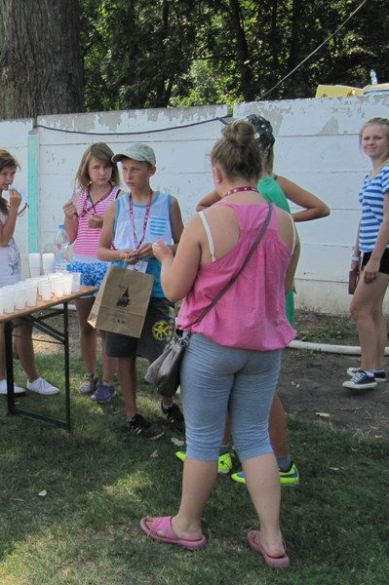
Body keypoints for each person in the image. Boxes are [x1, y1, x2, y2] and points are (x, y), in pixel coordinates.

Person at [141, 120, 299, 568]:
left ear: (218, 172)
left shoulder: (205, 221)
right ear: (258, 165)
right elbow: (283, 286)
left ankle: (187, 524)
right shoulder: (285, 223)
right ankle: (272, 537)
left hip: (212, 346)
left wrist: (166, 256)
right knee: (254, 438)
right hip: (264, 347)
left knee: (204, 438)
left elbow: (173, 290)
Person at [185, 114, 330, 485]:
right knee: (248, 398)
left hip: (252, 311)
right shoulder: (270, 194)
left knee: (259, 401)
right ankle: (235, 458)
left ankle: (280, 461)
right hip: (262, 307)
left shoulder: (263, 196)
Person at [96, 144, 184, 438]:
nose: (128, 175)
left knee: (166, 352)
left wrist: (160, 250)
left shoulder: (168, 203)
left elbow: (183, 245)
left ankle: (168, 402)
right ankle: (132, 414)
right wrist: (121, 254)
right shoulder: (117, 205)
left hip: (159, 289)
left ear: (151, 171)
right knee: (124, 352)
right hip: (124, 287)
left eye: (135, 169)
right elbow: (101, 250)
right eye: (125, 169)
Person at [0, 149, 60, 396]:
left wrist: (12, 207)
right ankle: (7, 380)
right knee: (11, 325)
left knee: (19, 325)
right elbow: (2, 238)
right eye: (4, 173)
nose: (9, 179)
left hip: (9, 273)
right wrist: (13, 209)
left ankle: (21, 379)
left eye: (12, 173)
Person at [63, 143, 120, 402]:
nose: (102, 172)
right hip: (81, 264)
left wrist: (107, 223)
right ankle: (90, 374)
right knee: (86, 326)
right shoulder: (80, 196)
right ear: (86, 169)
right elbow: (72, 236)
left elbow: (125, 236)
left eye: (106, 166)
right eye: (96, 167)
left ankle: (108, 381)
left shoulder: (119, 197)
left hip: (107, 265)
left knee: (106, 327)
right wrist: (68, 217)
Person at [344, 117, 389, 390]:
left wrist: (374, 259)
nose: (371, 142)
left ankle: (367, 370)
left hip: (383, 252)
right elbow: (367, 218)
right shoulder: (371, 174)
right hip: (371, 250)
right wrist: (357, 253)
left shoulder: (388, 173)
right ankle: (378, 368)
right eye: (367, 138)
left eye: (378, 138)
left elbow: (388, 219)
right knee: (373, 310)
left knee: (358, 308)